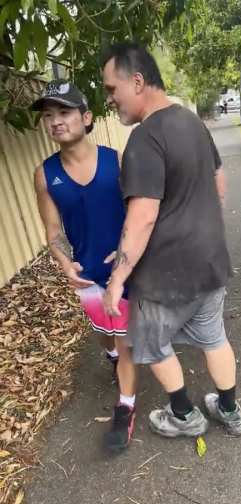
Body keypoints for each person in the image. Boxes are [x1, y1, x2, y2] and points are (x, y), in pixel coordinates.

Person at [101, 43, 241, 438]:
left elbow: (144, 215)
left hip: (165, 275)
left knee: (151, 342)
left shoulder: (145, 139)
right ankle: (230, 411)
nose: (110, 99)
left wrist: (117, 278)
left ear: (137, 81)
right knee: (213, 336)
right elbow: (217, 181)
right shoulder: (191, 121)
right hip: (210, 261)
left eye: (112, 89)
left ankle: (183, 415)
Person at [32, 80, 137, 450]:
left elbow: (138, 213)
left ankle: (126, 407)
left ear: (86, 117)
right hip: (86, 273)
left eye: (64, 112)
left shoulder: (117, 160)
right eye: (49, 116)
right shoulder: (45, 175)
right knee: (104, 331)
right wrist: (64, 262)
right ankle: (111, 355)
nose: (56, 122)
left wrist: (126, 252)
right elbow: (52, 228)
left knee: (126, 340)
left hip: (125, 271)